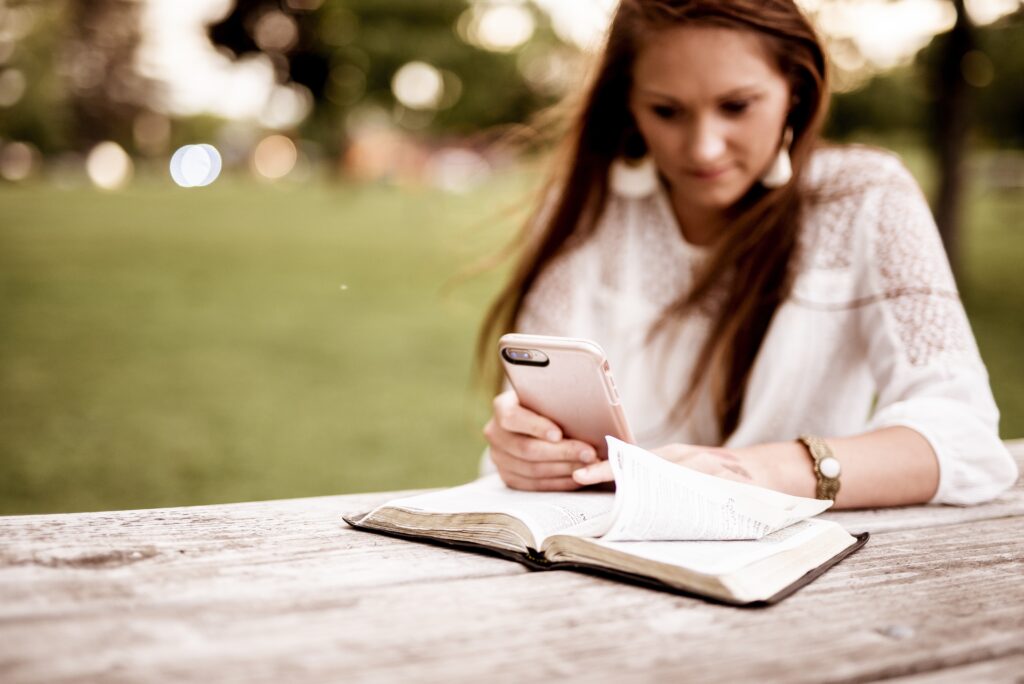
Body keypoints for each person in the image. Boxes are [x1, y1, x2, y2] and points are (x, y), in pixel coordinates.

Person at [477, 0, 1018, 508]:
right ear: (630, 105)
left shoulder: (866, 197)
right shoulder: (583, 216)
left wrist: (758, 472)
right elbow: (532, 425)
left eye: (736, 106)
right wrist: (524, 448)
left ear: (796, 91)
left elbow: (964, 439)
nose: (704, 147)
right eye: (667, 111)